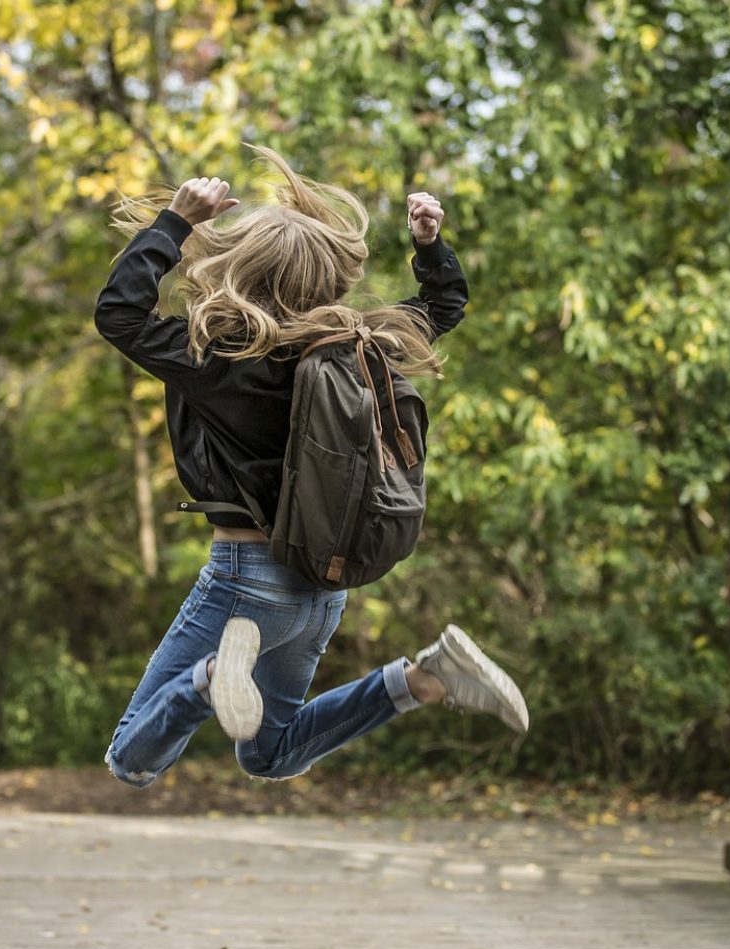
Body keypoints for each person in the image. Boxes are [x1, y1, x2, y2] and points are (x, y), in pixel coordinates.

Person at [95, 146, 528, 789]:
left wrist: (176, 222)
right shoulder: (360, 347)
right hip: (321, 588)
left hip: (245, 582)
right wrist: (430, 248)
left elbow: (119, 314)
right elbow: (442, 309)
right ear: (325, 276)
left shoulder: (214, 354)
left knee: (131, 759)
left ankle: (213, 678)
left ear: (241, 266)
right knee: (269, 754)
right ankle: (425, 677)